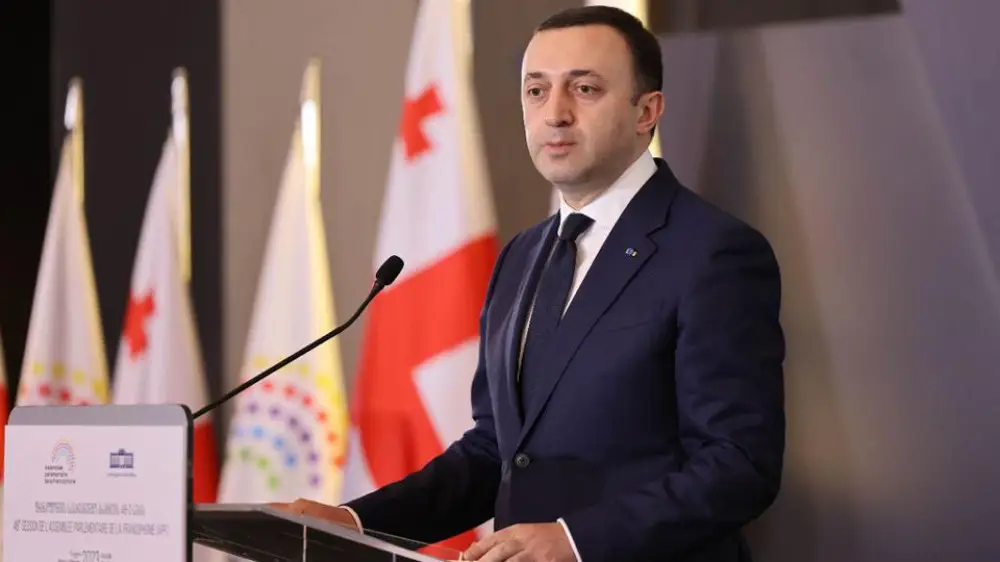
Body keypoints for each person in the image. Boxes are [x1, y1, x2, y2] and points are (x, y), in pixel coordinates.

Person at [275, 6, 785, 561]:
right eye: (536, 91)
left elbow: (739, 465)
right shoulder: (522, 256)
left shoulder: (712, 252)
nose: (555, 114)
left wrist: (575, 540)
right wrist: (355, 521)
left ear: (647, 111)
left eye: (585, 89)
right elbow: (495, 450)